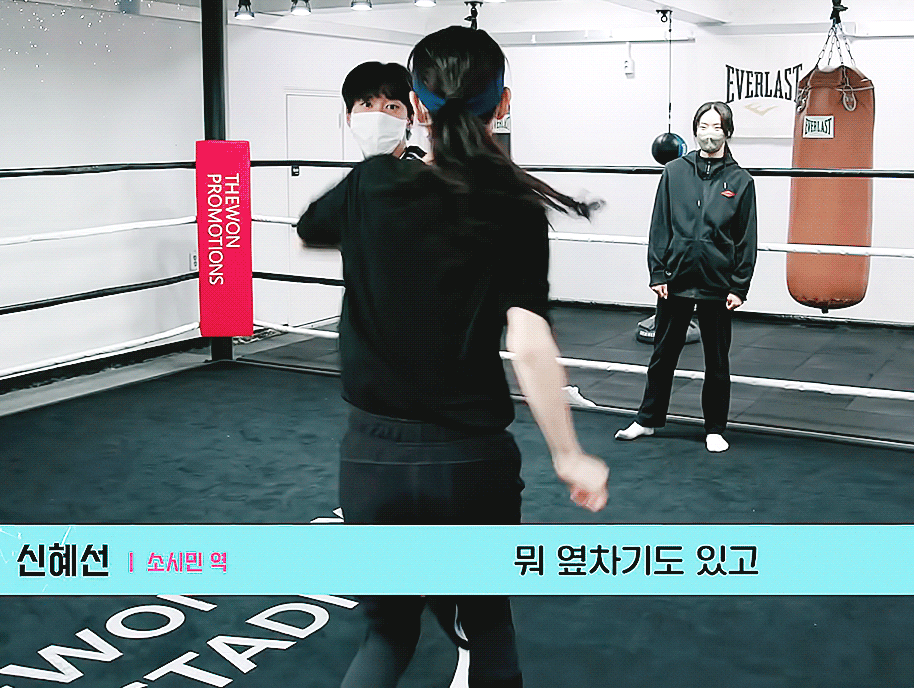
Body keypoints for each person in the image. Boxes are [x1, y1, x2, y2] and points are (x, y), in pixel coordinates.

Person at [296, 25, 609, 688]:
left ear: (416, 105)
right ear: (504, 104)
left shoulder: (370, 185)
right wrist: (568, 454)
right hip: (471, 461)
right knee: (489, 625)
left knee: (387, 636)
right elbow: (528, 340)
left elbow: (310, 228)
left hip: (373, 458)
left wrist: (387, 163)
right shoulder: (512, 205)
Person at [616, 101, 758, 453]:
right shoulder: (674, 172)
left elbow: (746, 237)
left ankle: (715, 429)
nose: (709, 133)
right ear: (695, 131)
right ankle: (647, 420)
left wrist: (739, 286)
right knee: (663, 355)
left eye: (716, 127)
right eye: (703, 126)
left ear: (728, 132)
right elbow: (660, 224)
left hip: (717, 283)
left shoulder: (741, 181)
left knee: (717, 361)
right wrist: (658, 271)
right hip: (676, 277)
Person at [342, 60, 426, 161]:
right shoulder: (360, 170)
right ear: (349, 117)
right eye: (367, 105)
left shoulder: (429, 168)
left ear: (410, 118)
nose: (379, 116)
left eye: (391, 107)